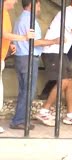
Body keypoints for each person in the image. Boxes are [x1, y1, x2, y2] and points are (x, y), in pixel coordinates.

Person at [10, 0, 60, 130]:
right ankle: (19, 120)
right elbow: (35, 42)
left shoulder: (20, 18)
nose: (39, 8)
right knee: (28, 92)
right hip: (28, 58)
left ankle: (18, 119)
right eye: (38, 5)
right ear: (32, 5)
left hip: (21, 57)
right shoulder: (29, 20)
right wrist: (54, 41)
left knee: (24, 91)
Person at [1, 0, 35, 133]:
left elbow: (3, 35)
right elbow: (3, 33)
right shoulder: (2, 13)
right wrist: (24, 38)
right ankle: (19, 120)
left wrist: (9, 44)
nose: (15, 2)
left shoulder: (6, 14)